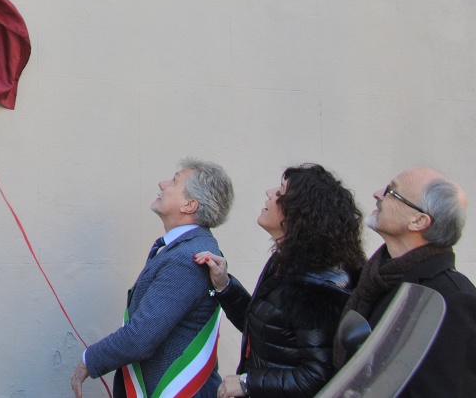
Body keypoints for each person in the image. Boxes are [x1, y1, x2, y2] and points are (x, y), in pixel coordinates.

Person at [194, 164, 365, 398]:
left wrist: (248, 383)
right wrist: (224, 286)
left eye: (280, 192)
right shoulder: (286, 262)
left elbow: (317, 375)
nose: (269, 192)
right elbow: (267, 329)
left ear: (299, 213)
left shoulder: (316, 287)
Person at [71, 159, 234, 398]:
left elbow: (141, 337)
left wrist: (89, 361)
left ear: (189, 205)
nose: (162, 184)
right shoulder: (186, 248)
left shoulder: (187, 258)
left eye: (175, 181)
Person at [333, 167, 476, 397]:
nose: (378, 194)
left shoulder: (451, 297)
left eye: (392, 192)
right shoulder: (378, 278)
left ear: (418, 221)